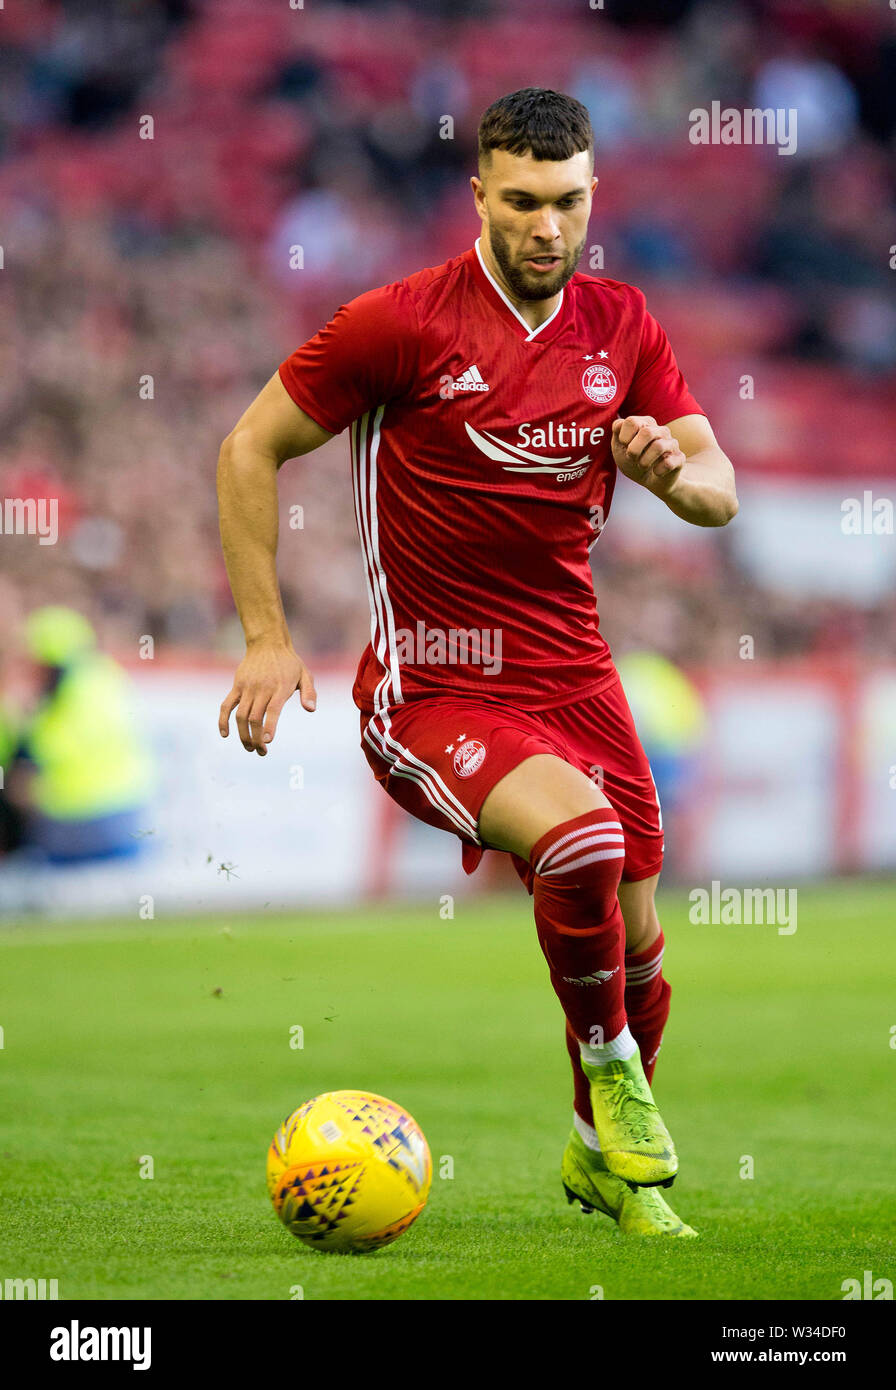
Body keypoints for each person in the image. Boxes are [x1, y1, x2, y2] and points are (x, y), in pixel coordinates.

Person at [217, 88, 737, 1238]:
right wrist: (263, 633)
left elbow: (717, 487)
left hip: (579, 679)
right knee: (581, 841)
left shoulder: (623, 325)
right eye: (519, 202)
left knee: (643, 945)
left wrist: (667, 475)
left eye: (564, 202)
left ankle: (603, 1157)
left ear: (592, 195)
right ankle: (608, 1070)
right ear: (479, 198)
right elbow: (250, 445)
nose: (544, 225)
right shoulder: (400, 323)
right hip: (435, 684)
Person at [10, 606, 154, 863]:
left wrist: (19, 721)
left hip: (80, 821)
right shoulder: (106, 675)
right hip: (129, 816)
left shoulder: (63, 696)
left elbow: (34, 763)